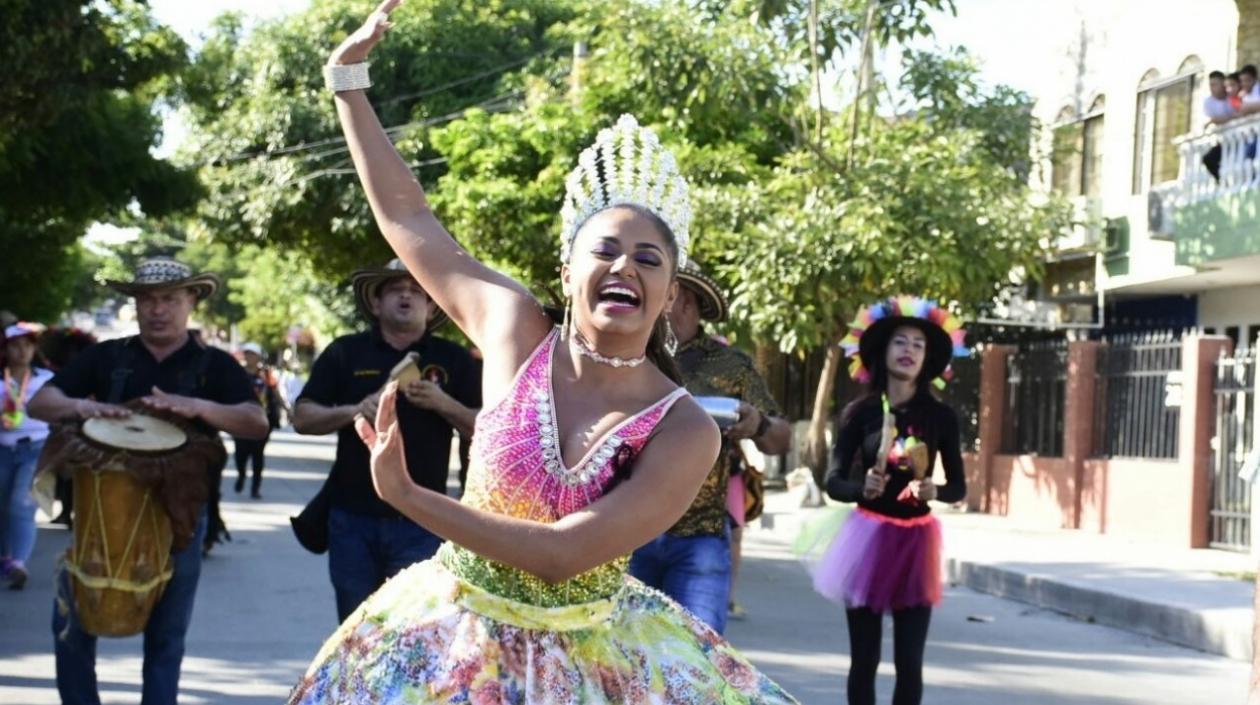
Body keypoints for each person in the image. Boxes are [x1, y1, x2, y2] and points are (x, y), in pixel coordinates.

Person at [286, 3, 797, 703]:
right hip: (449, 640)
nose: (626, 267)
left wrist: (409, 496)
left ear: (670, 289)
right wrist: (347, 81)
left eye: (649, 259)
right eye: (606, 250)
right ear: (567, 274)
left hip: (591, 663)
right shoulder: (511, 325)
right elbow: (410, 217)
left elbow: (562, 555)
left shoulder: (684, 428)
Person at [28, 257, 268, 705]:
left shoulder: (213, 364)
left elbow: (256, 422)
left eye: (170, 299)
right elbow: (41, 402)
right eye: (148, 300)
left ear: (191, 302)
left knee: (165, 642)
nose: (158, 309)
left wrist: (197, 407)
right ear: (135, 305)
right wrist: (84, 408)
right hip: (102, 520)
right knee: (72, 631)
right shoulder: (107, 356)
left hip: (181, 520)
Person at [291, 258, 481, 622]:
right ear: (376, 304)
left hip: (425, 518)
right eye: (396, 289)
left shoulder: (454, 359)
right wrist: (353, 410)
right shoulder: (345, 352)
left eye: (416, 290)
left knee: (416, 629)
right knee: (355, 629)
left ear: (431, 304)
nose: (406, 296)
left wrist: (444, 404)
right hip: (352, 518)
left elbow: (489, 430)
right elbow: (303, 418)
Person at [818, 296, 968, 705]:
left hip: (916, 544)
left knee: (909, 660)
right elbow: (832, 481)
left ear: (928, 359)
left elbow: (959, 488)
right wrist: (859, 487)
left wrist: (934, 490)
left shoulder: (942, 418)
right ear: (883, 353)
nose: (909, 351)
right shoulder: (859, 413)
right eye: (900, 342)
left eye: (918, 345)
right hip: (866, 540)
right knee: (864, 659)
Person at [629, 261, 790, 634]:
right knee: (624, 663)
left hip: (700, 537)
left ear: (689, 303)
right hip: (627, 529)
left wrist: (758, 424)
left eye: (675, 295)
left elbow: (780, 437)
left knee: (698, 660)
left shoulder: (730, 364)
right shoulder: (628, 354)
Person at [0, 322, 53, 590]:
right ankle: (6, 558)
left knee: (22, 504)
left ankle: (19, 563)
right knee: (3, 506)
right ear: (6, 349)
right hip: (2, 449)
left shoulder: (46, 380)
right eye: (15, 346)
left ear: (34, 349)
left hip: (36, 448)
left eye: (27, 345)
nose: (22, 351)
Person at [233, 342, 287, 499]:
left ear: (258, 356)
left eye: (253, 354)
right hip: (241, 422)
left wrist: (287, 408)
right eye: (247, 353)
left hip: (262, 421)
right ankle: (241, 474)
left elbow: (275, 392)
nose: (249, 357)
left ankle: (255, 488)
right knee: (240, 455)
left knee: (258, 455)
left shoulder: (266, 374)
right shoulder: (238, 372)